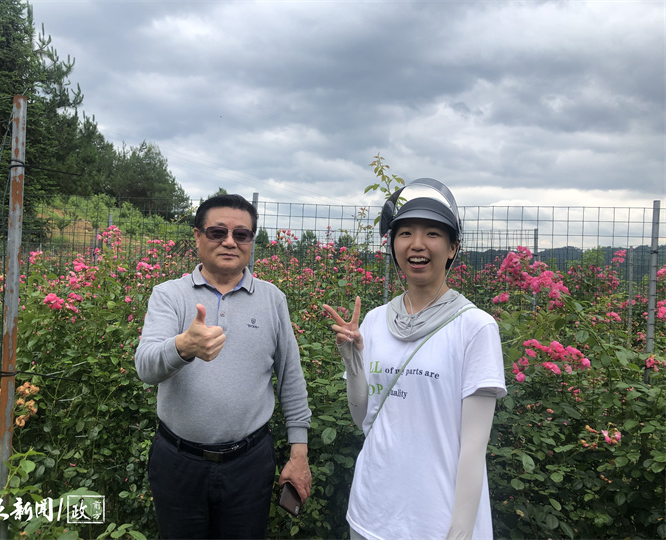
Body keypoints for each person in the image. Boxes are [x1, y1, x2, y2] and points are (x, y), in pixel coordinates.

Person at [324, 178, 507, 540]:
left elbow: (474, 447)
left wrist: (460, 530)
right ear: (392, 244)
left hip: (435, 522)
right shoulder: (375, 320)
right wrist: (354, 363)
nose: (417, 244)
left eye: (433, 234)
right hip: (370, 512)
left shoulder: (475, 327)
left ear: (453, 247)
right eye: (405, 232)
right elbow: (363, 418)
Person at [135, 194, 312, 539]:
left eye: (241, 234)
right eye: (217, 232)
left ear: (251, 242)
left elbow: (290, 377)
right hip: (178, 462)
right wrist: (182, 347)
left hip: (249, 463)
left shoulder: (272, 299)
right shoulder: (170, 295)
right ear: (198, 237)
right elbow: (145, 366)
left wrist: (299, 452)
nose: (230, 241)